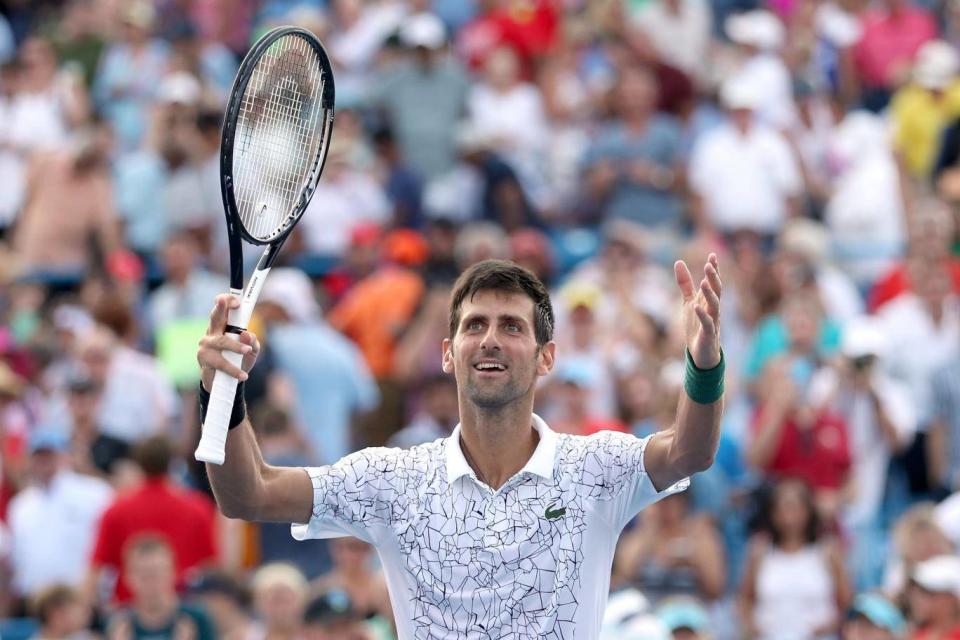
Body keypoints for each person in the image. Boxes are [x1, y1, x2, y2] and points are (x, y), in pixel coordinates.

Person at [196, 256, 725, 638]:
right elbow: (250, 494)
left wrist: (702, 365)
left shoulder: (594, 468)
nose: (491, 339)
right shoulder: (391, 479)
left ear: (546, 358)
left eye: (512, 327)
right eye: (476, 325)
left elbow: (689, 451)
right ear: (449, 354)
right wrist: (220, 391)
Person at [738, 478, 852, 640]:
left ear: (808, 510)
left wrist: (829, 626)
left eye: (795, 507)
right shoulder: (759, 551)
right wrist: (753, 627)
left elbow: (846, 603)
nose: (788, 516)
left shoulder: (828, 551)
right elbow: (744, 599)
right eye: (781, 508)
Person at [104, 535, 216, 640]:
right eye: (144, 575)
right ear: (128, 577)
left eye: (157, 573)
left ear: (173, 571)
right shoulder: (117, 623)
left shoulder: (196, 619)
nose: (151, 582)